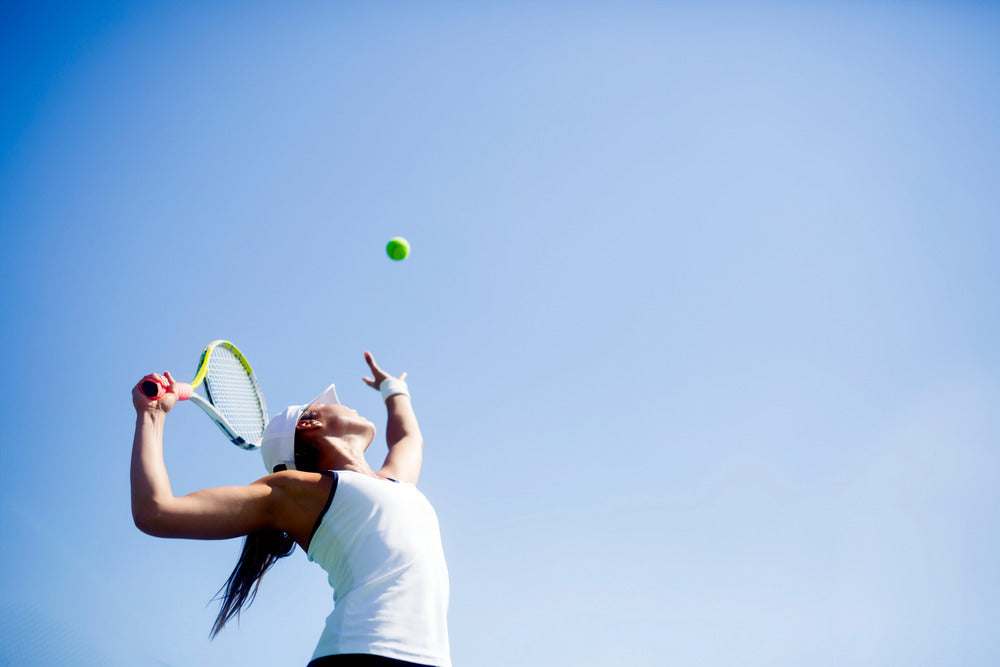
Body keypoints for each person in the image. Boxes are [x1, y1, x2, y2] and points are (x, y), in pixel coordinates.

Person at [130, 351, 451, 667]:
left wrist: (393, 388)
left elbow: (408, 438)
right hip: (362, 653)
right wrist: (151, 415)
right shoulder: (299, 492)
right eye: (328, 403)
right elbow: (156, 511)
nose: (346, 404)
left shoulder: (396, 483)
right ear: (309, 423)